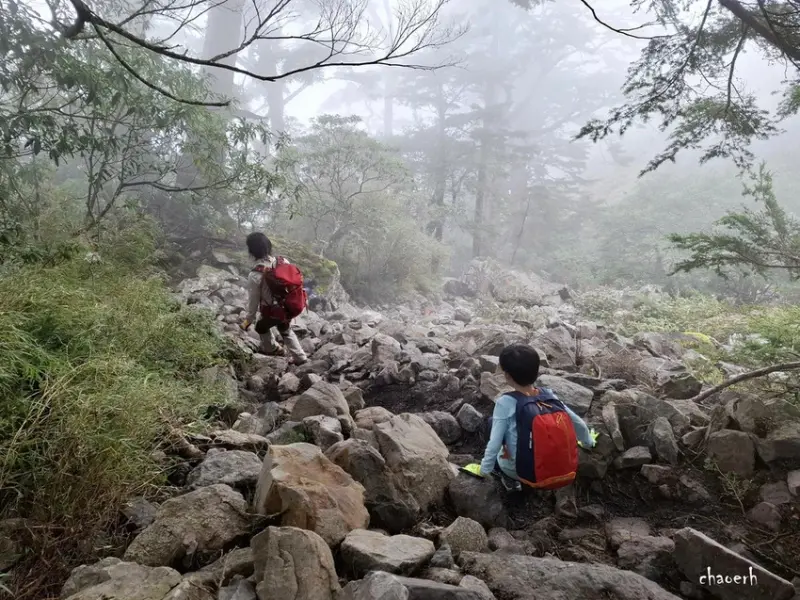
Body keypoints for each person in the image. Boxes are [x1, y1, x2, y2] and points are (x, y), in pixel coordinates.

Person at [464, 344, 597, 491]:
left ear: (507, 375)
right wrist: (588, 442)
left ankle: (508, 478)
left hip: (520, 472)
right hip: (559, 469)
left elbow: (494, 444)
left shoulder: (505, 402)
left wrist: (483, 471)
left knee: (490, 424)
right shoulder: (549, 396)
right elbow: (579, 423)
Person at [241, 232, 308, 365]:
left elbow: (254, 301)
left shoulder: (254, 274)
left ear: (252, 251)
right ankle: (301, 357)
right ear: (268, 245)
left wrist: (248, 320)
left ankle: (273, 349)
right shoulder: (283, 262)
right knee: (285, 329)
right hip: (289, 306)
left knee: (260, 327)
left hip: (272, 311)